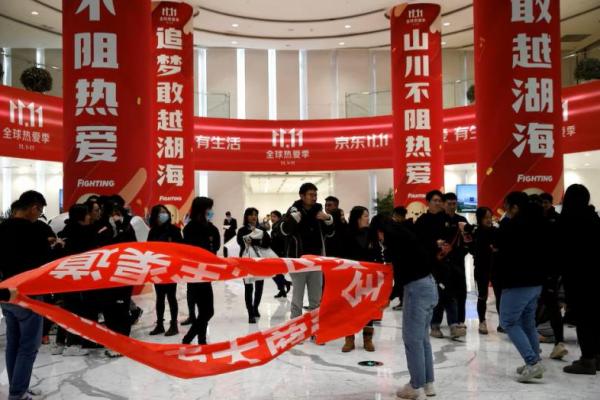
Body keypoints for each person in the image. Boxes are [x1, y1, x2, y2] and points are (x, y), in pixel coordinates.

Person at [371, 214, 437, 400]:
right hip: (429, 286)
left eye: (378, 236)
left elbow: (401, 276)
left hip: (416, 290)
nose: (379, 240)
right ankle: (427, 383)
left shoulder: (396, 243)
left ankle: (416, 385)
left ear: (380, 232)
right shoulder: (406, 235)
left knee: (412, 340)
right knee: (422, 339)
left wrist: (389, 297)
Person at [0, 191, 53, 400]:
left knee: (13, 342)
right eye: (39, 211)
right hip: (28, 294)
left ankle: (18, 387)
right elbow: (45, 261)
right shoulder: (34, 231)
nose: (39, 215)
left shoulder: (1, 228)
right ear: (33, 207)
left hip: (5, 293)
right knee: (29, 346)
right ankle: (18, 392)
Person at [496, 191, 549, 382]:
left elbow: (502, 246)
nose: (505, 211)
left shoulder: (515, 225)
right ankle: (535, 362)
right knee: (527, 322)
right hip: (536, 282)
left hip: (517, 281)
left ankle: (532, 362)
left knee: (508, 322)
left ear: (515, 207)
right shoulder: (540, 222)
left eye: (507, 206)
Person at [557, 184, 600, 374]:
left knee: (583, 320)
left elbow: (561, 252)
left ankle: (587, 359)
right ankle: (597, 357)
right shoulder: (594, 218)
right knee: (596, 318)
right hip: (596, 277)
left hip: (578, 279)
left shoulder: (567, 221)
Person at [279, 183, 334, 320]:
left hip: (316, 260)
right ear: (302, 196)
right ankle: (295, 331)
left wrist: (328, 219)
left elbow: (330, 233)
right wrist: (292, 220)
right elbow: (283, 231)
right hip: (298, 261)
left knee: (316, 299)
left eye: (315, 195)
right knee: (297, 299)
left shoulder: (319, 211)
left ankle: (315, 330)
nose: (314, 198)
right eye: (311, 195)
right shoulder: (293, 210)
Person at [415, 190, 464, 340]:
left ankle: (454, 325)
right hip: (430, 264)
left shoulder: (447, 218)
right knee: (436, 294)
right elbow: (418, 242)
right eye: (434, 200)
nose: (437, 203)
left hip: (448, 263)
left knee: (450, 293)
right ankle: (434, 325)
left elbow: (455, 239)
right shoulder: (422, 221)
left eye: (439, 201)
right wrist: (434, 244)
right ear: (428, 202)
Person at [53, 204, 99, 356]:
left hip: (65, 276)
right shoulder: (83, 233)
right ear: (81, 216)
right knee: (77, 310)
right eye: (87, 214)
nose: (89, 217)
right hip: (79, 276)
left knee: (67, 308)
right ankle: (73, 343)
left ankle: (60, 343)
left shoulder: (65, 232)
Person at [182, 197, 220, 345]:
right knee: (206, 311)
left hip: (207, 274)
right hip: (195, 274)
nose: (211, 211)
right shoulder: (190, 228)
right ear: (201, 209)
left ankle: (201, 341)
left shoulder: (211, 228)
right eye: (209, 208)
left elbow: (215, 247)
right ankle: (190, 339)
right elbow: (191, 251)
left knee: (206, 311)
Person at [341, 206, 378, 353]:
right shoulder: (346, 233)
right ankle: (349, 339)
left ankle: (367, 339)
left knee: (368, 309)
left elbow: (377, 252)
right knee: (349, 308)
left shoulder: (372, 234)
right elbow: (342, 255)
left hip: (368, 277)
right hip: (351, 277)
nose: (367, 218)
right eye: (365, 216)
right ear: (357, 217)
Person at [147, 205, 183, 337]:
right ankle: (160, 324)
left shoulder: (174, 230)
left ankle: (174, 324)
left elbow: (181, 249)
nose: (164, 214)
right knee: (159, 297)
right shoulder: (153, 232)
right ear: (155, 216)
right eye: (161, 212)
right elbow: (148, 250)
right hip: (157, 268)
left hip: (171, 268)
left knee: (171, 296)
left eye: (165, 212)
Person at [469, 207, 501, 335]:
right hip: (482, 267)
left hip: (496, 267)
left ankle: (502, 322)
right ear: (480, 218)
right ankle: (482, 321)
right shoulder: (475, 232)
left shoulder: (496, 231)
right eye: (485, 217)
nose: (488, 220)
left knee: (499, 295)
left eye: (490, 217)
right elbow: (472, 250)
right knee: (483, 295)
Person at [237, 208, 271, 323]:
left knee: (259, 286)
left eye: (255, 215)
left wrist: (255, 241)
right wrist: (255, 239)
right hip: (246, 261)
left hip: (259, 261)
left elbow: (267, 243)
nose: (253, 217)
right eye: (251, 215)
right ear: (246, 216)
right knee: (248, 286)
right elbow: (242, 242)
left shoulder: (261, 229)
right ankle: (250, 313)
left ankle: (255, 307)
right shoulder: (241, 230)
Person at [441, 192, 469, 329]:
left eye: (454, 203)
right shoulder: (438, 220)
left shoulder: (462, 220)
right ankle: (439, 321)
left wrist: (460, 253)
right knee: (444, 292)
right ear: (443, 204)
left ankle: (460, 320)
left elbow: (468, 241)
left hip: (458, 262)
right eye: (449, 204)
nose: (452, 206)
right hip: (442, 263)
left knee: (461, 291)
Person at [389, 206, 413, 310]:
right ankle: (403, 301)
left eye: (394, 216)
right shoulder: (410, 226)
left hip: (401, 259)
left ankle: (400, 300)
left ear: (398, 216)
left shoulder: (400, 228)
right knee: (402, 281)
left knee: (400, 281)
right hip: (404, 259)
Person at [269, 211, 291, 298]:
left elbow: (284, 241)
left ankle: (284, 286)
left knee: (275, 272)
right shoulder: (275, 226)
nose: (272, 218)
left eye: (274, 216)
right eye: (271, 216)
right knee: (276, 273)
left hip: (280, 253)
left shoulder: (280, 226)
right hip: (274, 253)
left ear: (278, 217)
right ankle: (283, 289)